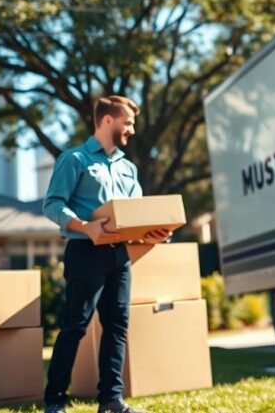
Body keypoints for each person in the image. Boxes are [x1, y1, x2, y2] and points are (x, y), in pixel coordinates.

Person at [42, 95, 171, 413]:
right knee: (76, 324)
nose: (132, 130)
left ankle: (111, 400)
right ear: (108, 120)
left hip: (120, 255)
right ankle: (55, 401)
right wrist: (87, 227)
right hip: (85, 250)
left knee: (117, 326)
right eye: (128, 123)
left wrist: (153, 234)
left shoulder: (128, 168)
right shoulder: (74, 159)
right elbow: (53, 204)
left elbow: (137, 214)